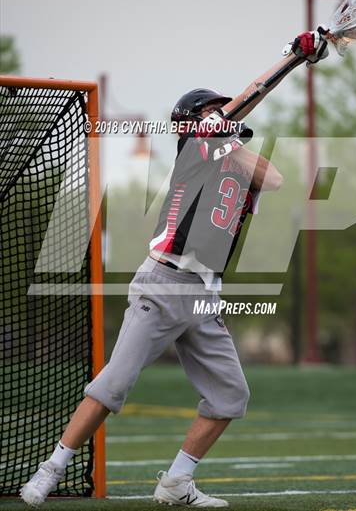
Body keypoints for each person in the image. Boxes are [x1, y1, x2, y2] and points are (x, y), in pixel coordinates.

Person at [20, 29, 328, 508]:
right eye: (210, 112)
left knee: (230, 396)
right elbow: (241, 105)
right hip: (163, 283)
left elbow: (276, 178)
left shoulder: (231, 159)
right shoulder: (194, 150)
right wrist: (290, 59)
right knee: (114, 384)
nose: (219, 117)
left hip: (204, 295)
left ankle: (177, 482)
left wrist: (232, 134)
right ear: (191, 123)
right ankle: (50, 469)